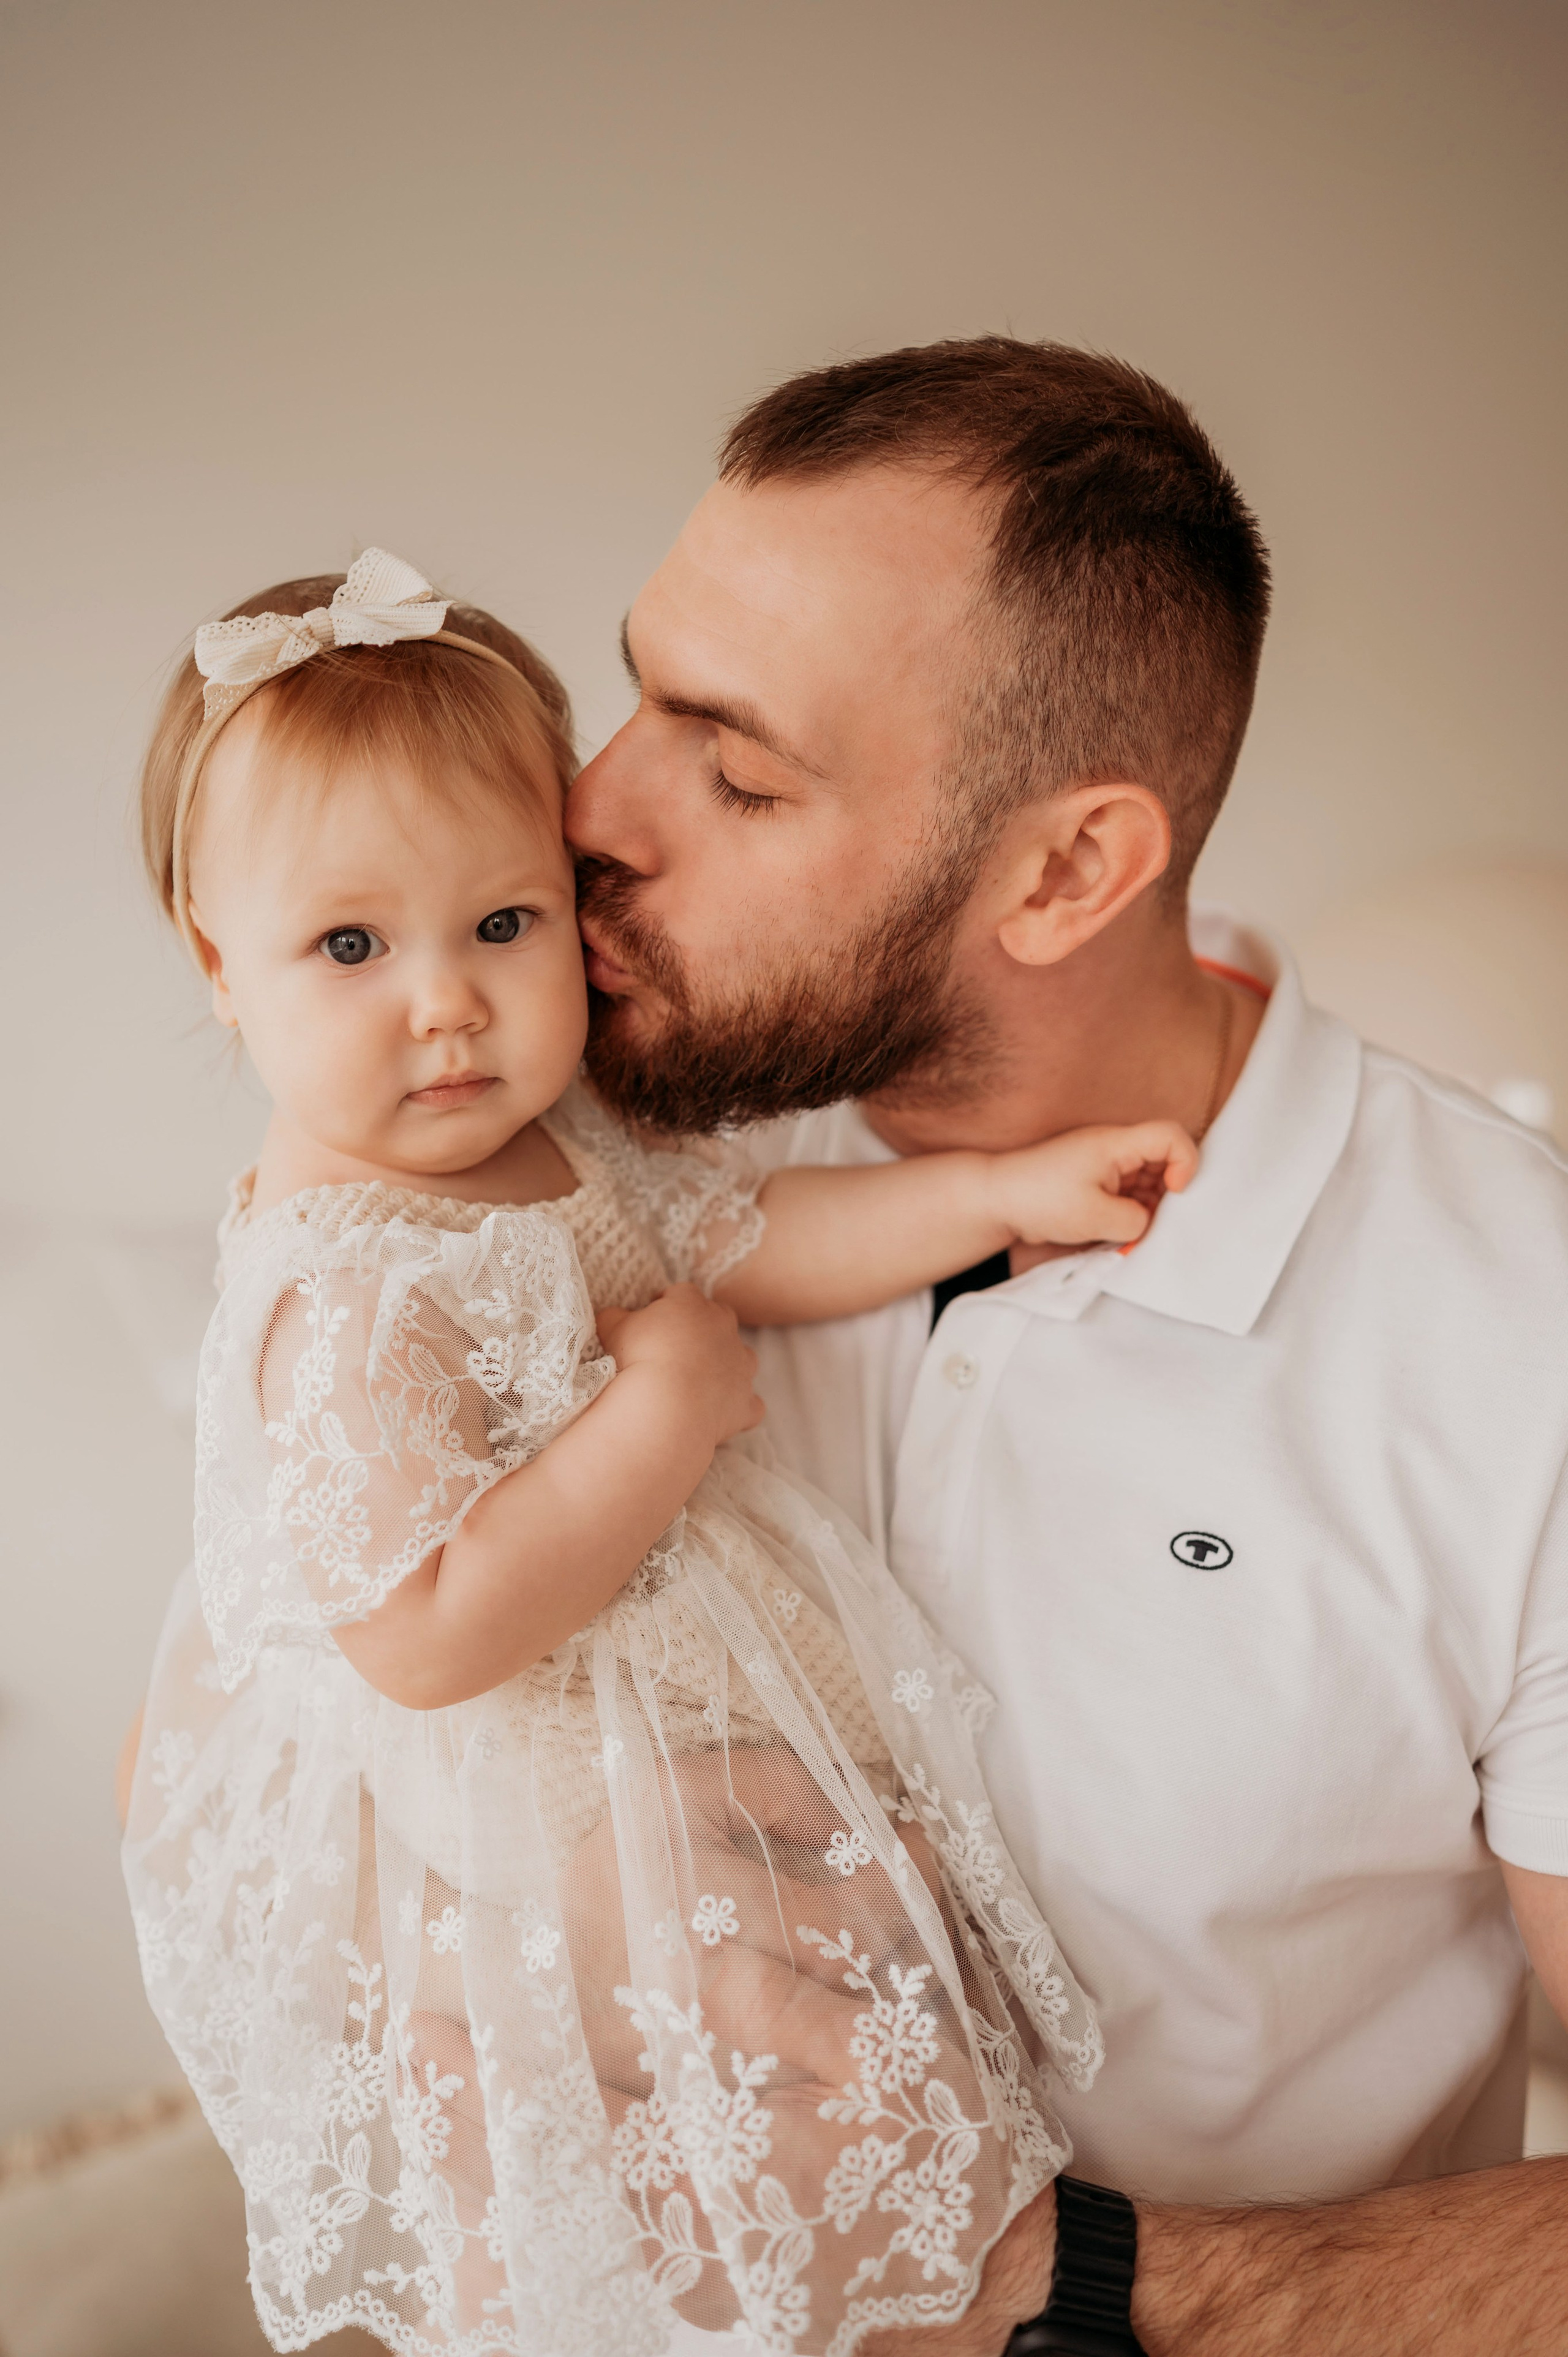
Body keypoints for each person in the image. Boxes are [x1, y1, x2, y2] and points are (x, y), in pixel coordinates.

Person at [567, 337, 1568, 2355]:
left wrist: (1089, 2296)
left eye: (740, 768)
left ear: (1069, 870)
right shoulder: (581, 1150)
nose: (591, 809)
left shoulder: (1519, 1335)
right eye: (637, 695)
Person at [121, 549, 1202, 2355]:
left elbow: (750, 1235)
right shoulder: (348, 1281)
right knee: (766, 2065)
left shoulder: (558, 1134)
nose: (446, 1004)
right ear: (221, 964)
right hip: (521, 1796)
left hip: (668, 1740)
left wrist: (1006, 1195)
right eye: (350, 947)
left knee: (836, 2019)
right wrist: (666, 1410)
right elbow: (429, 1626)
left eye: (503, 924)